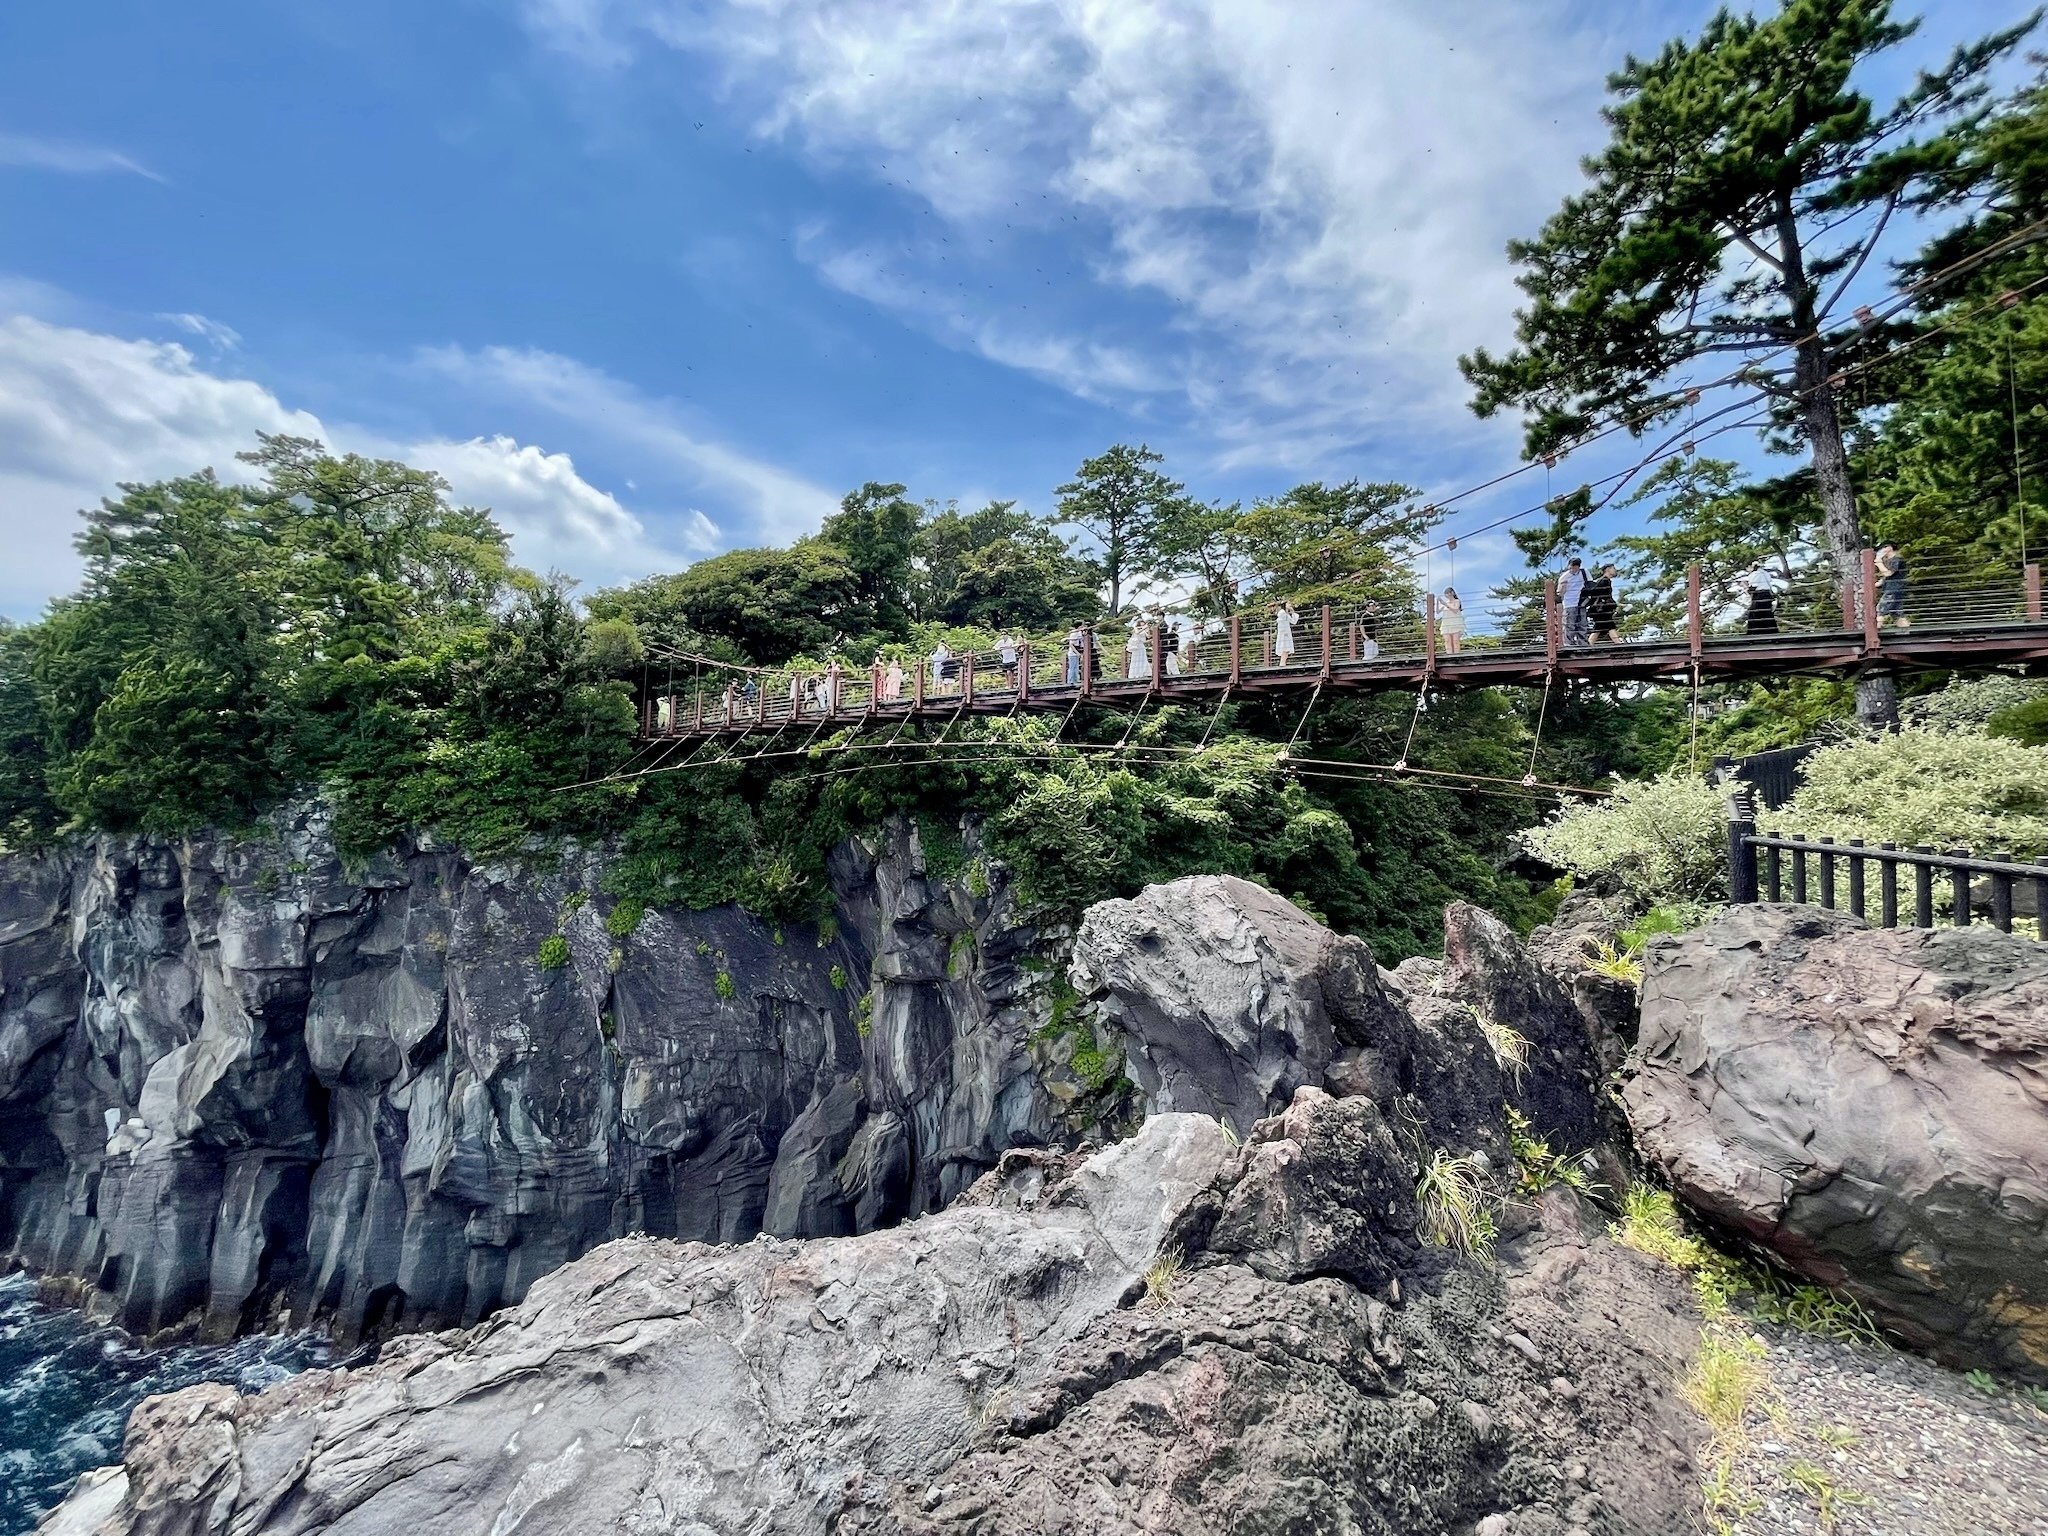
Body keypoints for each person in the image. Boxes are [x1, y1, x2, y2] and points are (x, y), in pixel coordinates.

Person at [1582, 564, 1620, 643]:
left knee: (1599, 628)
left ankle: (1589, 644)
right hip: (1601, 610)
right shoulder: (1604, 581)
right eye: (1613, 568)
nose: (1615, 570)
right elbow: (1596, 593)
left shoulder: (1605, 580)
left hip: (1601, 609)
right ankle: (1619, 643)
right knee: (1609, 626)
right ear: (1608, 570)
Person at [1742, 561, 1780, 635]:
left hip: (1760, 595)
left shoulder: (1755, 574)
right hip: (1767, 594)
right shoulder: (1765, 573)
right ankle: (1771, 631)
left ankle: (1754, 632)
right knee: (1767, 614)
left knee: (1754, 614)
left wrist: (1745, 587)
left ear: (1750, 567)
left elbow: (1753, 587)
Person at [1876, 543, 1909, 628]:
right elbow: (1886, 577)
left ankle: (1875, 629)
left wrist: (1879, 563)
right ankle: (1906, 630)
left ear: (1889, 547)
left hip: (1894, 588)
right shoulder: (1890, 561)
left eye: (1882, 548)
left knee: (1881, 608)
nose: (1881, 551)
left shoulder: (1897, 559)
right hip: (1893, 588)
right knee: (1896, 611)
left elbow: (1888, 573)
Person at [1559, 556, 1589, 647]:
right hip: (1569, 603)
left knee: (1582, 624)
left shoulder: (1584, 573)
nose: (1572, 570)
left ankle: (1583, 644)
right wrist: (1563, 587)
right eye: (1571, 567)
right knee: (1569, 624)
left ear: (1578, 567)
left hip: (1581, 602)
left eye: (1575, 568)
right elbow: (1560, 593)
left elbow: (1590, 585)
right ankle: (1568, 644)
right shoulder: (1565, 576)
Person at [1437, 587, 1466, 654]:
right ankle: (1449, 655)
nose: (1447, 595)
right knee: (1447, 640)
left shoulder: (1457, 601)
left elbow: (1455, 610)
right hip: (1446, 624)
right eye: (1446, 594)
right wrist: (1438, 602)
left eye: (1448, 593)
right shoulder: (1446, 603)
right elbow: (1438, 611)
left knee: (1455, 640)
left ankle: (1456, 655)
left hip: (1455, 623)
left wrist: (1445, 604)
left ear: (1452, 593)